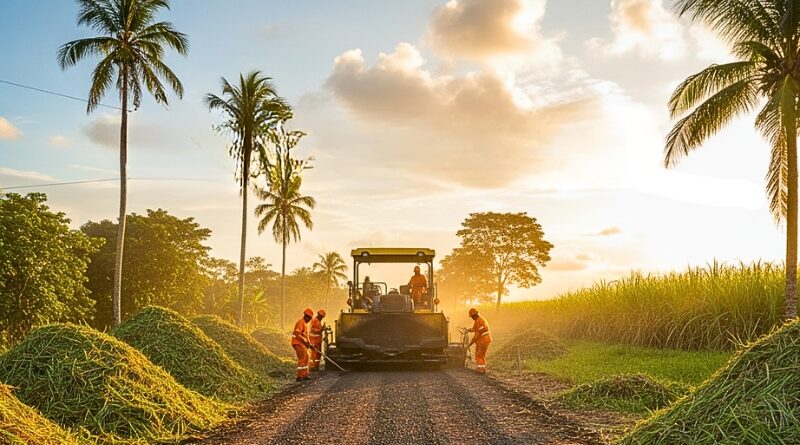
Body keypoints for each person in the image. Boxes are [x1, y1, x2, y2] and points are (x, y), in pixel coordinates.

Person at [291, 308, 314, 381]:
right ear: (306, 316)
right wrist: (305, 342)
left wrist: (310, 344)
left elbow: (306, 336)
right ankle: (299, 376)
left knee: (306, 358)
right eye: (310, 318)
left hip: (302, 344)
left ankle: (305, 375)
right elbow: (298, 334)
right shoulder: (300, 323)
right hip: (298, 343)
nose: (310, 320)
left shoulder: (305, 324)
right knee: (302, 359)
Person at [467, 308, 491, 374]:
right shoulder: (478, 320)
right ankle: (480, 368)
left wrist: (471, 342)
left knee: (480, 354)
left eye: (472, 316)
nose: (472, 318)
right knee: (478, 354)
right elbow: (475, 329)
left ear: (474, 315)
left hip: (483, 339)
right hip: (482, 339)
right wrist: (469, 330)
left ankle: (481, 370)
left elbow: (478, 332)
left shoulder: (480, 320)